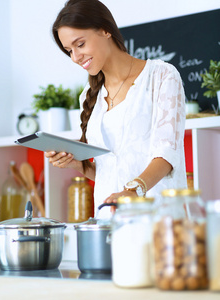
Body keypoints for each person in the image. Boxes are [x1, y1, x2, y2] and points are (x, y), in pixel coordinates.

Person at [46, 0, 187, 219]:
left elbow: (167, 155)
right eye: (69, 50)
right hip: (109, 224)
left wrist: (132, 191)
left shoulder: (161, 76)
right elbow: (110, 172)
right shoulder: (89, 95)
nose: (75, 57)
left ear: (105, 30)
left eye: (80, 44)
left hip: (160, 223)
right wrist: (81, 166)